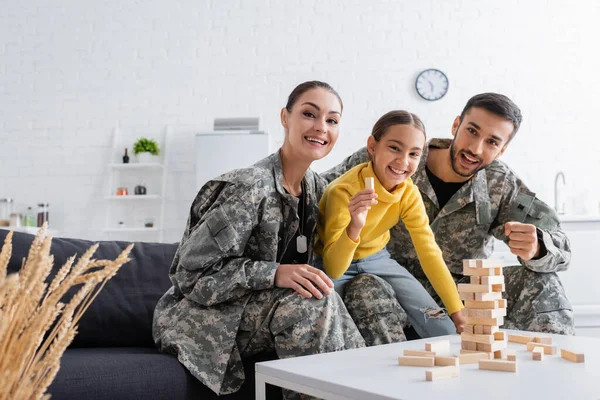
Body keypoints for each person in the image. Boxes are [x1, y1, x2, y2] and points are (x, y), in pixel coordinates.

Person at [153, 81, 365, 397]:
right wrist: (275, 273)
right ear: (285, 117)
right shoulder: (248, 189)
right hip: (199, 317)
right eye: (310, 114)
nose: (321, 127)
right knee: (310, 304)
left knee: (351, 294)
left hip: (260, 311)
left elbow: (362, 165)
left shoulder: (316, 189)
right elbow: (189, 275)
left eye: (332, 120)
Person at [323, 93, 574, 344]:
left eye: (492, 142)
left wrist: (539, 247)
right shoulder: (398, 153)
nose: (475, 149)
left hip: (461, 293)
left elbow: (561, 247)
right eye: (472, 131)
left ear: (502, 150)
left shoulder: (501, 184)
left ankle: (554, 369)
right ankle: (396, 376)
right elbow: (319, 190)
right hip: (390, 288)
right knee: (365, 287)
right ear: (456, 125)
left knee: (542, 281)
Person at [314, 110, 466, 338]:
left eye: (414, 154)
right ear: (372, 146)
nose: (403, 162)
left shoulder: (408, 193)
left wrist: (457, 311)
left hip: (378, 260)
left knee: (439, 322)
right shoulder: (342, 191)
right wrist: (354, 225)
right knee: (329, 330)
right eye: (394, 148)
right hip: (334, 263)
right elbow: (335, 268)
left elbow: (429, 253)